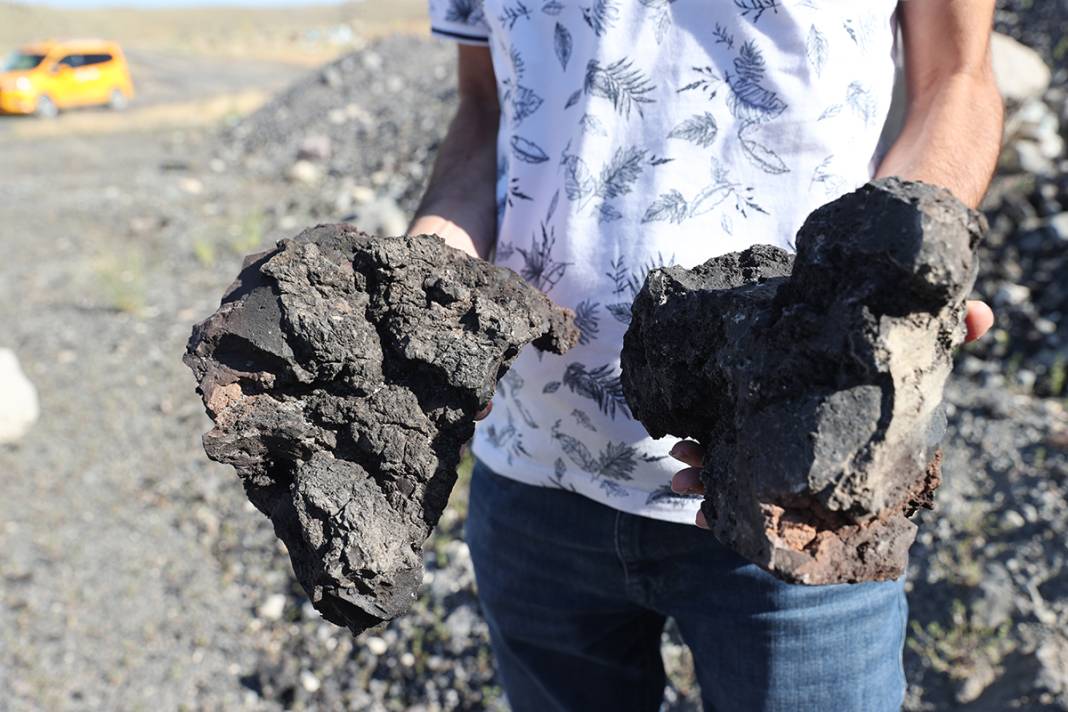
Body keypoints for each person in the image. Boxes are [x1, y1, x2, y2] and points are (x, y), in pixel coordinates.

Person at [409, 1, 1001, 710]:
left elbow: (956, 78)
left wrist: (908, 268)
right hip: (533, 466)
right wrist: (424, 279)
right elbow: (485, 104)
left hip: (798, 475)